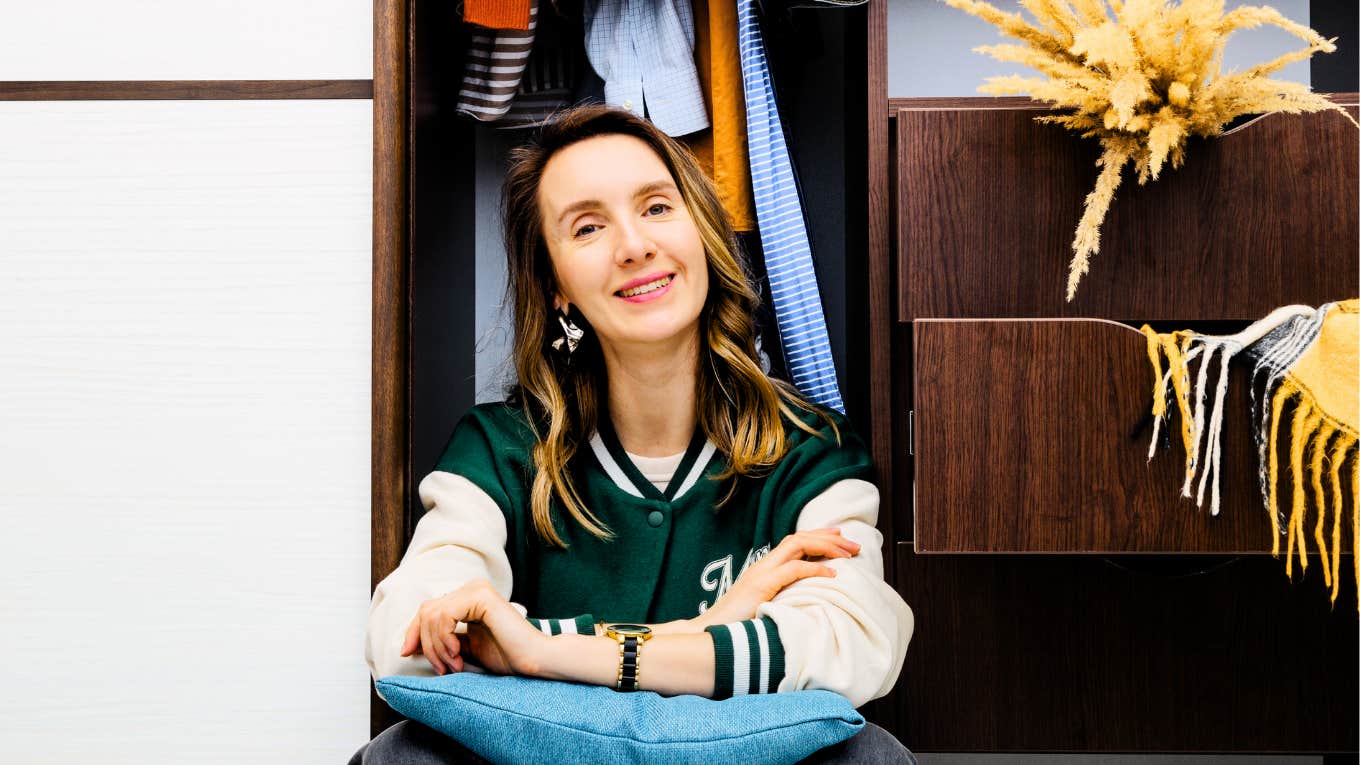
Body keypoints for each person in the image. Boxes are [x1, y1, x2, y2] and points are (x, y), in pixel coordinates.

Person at [351, 104, 915, 764]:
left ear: (701, 232)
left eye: (655, 208)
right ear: (554, 285)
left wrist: (546, 650)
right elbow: (405, 642)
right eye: (588, 226)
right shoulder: (499, 448)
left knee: (868, 756)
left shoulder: (810, 451)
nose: (634, 245)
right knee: (402, 755)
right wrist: (704, 629)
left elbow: (854, 646)